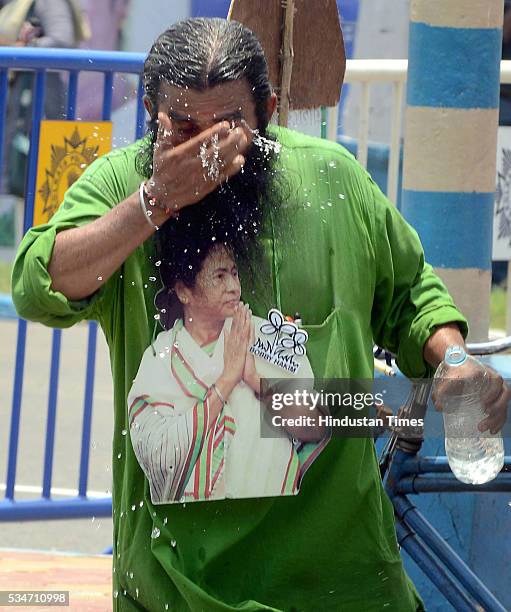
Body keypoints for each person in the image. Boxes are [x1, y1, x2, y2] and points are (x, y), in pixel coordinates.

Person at [11, 17, 509, 612]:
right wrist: (155, 203)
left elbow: (409, 295)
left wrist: (452, 358)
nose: (207, 152)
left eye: (227, 127)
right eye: (182, 128)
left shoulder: (334, 180)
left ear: (268, 111)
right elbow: (39, 283)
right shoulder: (124, 184)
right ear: (151, 113)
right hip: (180, 589)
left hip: (341, 583)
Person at [128, 241, 328, 504]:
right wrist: (227, 381)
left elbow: (315, 428)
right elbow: (161, 456)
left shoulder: (266, 338)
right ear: (184, 291)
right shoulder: (160, 358)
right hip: (195, 529)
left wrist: (255, 380)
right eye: (219, 276)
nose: (234, 287)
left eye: (234, 273)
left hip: (272, 517)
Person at [0, 0, 90, 194]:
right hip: (14, 110)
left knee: (30, 187)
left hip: (33, 109)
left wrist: (22, 48)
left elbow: (61, 39)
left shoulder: (49, 2)